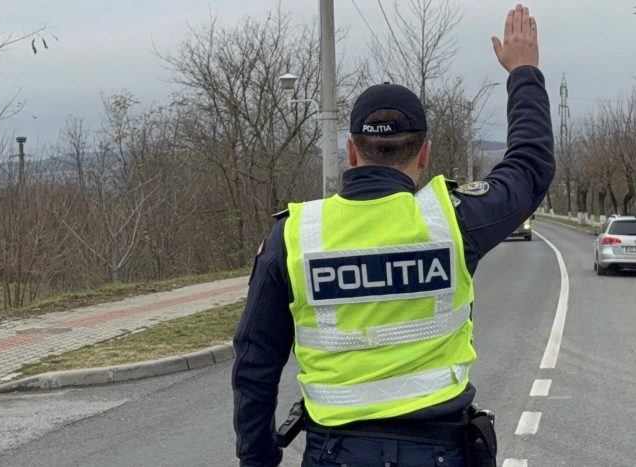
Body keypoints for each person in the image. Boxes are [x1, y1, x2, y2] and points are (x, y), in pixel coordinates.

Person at [232, 4, 553, 467]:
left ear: (350, 152)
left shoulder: (295, 237)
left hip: (333, 454)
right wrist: (524, 72)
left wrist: (257, 460)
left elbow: (254, 364)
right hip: (441, 452)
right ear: (424, 154)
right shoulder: (453, 223)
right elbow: (530, 166)